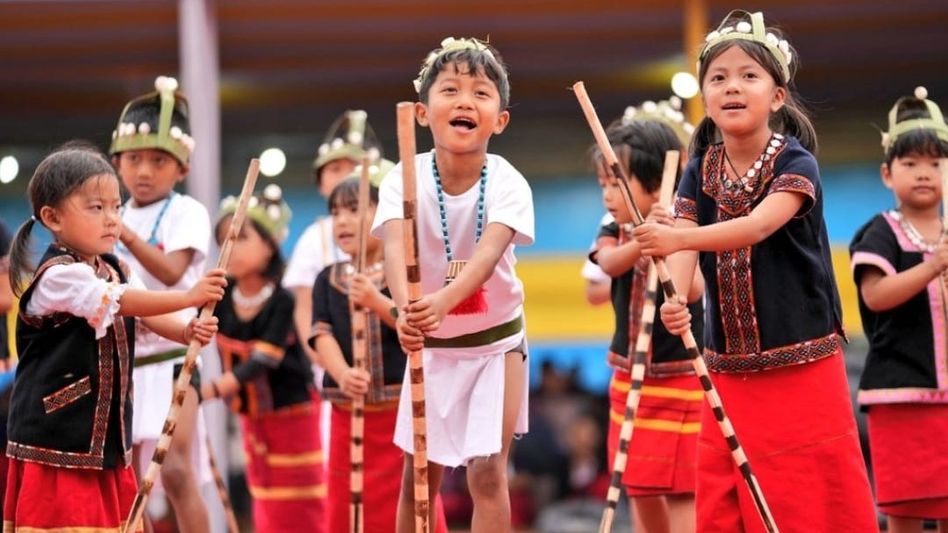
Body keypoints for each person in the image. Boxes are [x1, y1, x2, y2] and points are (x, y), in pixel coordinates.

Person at [633, 10, 878, 532]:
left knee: (810, 498)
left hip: (803, 363)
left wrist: (679, 237)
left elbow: (758, 225)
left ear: (777, 95)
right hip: (729, 369)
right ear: (705, 96)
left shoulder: (796, 162)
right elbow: (689, 269)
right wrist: (678, 296)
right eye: (718, 79)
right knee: (727, 501)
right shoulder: (701, 168)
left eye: (748, 76)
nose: (732, 87)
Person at [3, 147, 224, 532]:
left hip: (104, 443)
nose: (112, 220)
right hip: (59, 446)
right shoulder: (58, 277)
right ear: (52, 217)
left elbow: (149, 314)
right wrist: (190, 297)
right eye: (95, 208)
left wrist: (187, 329)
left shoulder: (117, 267)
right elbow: (123, 302)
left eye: (115, 208)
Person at [372, 36, 534, 532]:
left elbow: (487, 256)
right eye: (451, 90)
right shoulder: (402, 178)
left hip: (496, 345)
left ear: (499, 120)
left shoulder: (508, 182)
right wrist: (406, 310)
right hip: (433, 347)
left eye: (481, 93)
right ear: (423, 112)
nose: (465, 101)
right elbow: (395, 251)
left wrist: (437, 301)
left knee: (487, 474)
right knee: (417, 478)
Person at [310, 169, 449, 532]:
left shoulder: (405, 273)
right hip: (348, 412)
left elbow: (418, 326)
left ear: (382, 215)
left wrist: (375, 301)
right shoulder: (327, 278)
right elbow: (320, 335)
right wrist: (341, 373)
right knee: (346, 507)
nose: (342, 221)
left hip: (401, 413)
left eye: (354, 209)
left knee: (412, 499)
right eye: (336, 213)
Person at [589, 113, 704, 533]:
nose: (606, 194)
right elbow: (607, 263)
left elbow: (692, 290)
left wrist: (670, 237)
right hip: (629, 374)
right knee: (637, 482)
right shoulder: (615, 228)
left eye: (614, 183)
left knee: (681, 485)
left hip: (682, 377)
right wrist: (642, 240)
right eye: (602, 184)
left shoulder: (688, 220)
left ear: (655, 181)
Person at [108, 75, 213, 532]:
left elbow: (171, 272)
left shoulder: (187, 211)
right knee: (128, 477)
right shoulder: (108, 213)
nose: (144, 171)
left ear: (181, 169)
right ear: (117, 162)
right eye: (133, 159)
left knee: (173, 470)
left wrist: (122, 232)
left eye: (158, 160)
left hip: (176, 353)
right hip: (126, 358)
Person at [850, 87, 948, 533]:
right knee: (904, 510)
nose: (924, 173)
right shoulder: (880, 232)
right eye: (911, 164)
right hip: (901, 394)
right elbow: (876, 296)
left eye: (935, 163)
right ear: (888, 174)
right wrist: (934, 266)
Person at [202, 185, 324, 533]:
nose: (231, 248)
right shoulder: (219, 296)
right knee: (265, 499)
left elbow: (263, 360)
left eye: (241, 238)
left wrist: (211, 390)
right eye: (224, 238)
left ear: (270, 244)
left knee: (301, 502)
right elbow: (192, 333)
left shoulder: (283, 300)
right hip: (251, 418)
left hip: (292, 415)